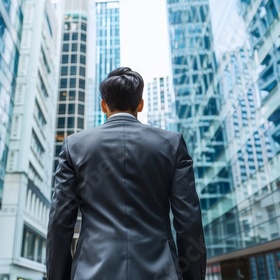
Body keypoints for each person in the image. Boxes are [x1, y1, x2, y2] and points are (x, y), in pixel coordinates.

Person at [47, 67, 206, 280]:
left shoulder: (74, 146)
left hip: (91, 272)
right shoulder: (172, 144)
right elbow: (189, 222)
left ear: (104, 105)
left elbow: (60, 222)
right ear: (140, 104)